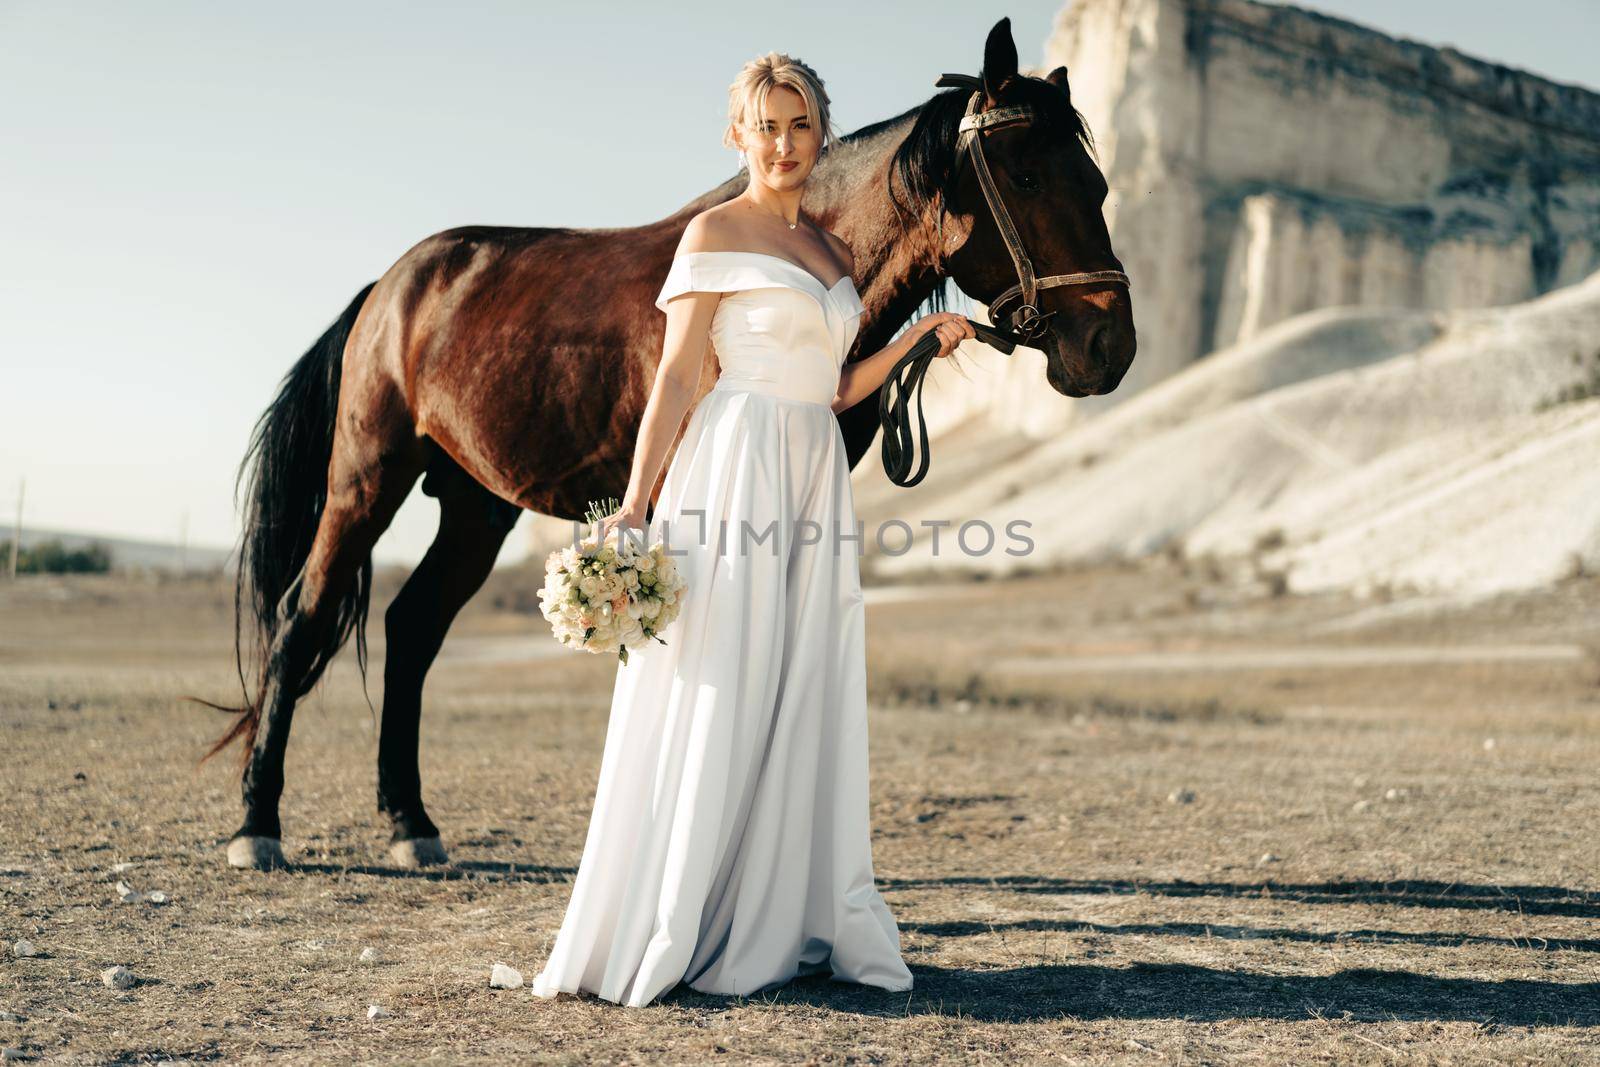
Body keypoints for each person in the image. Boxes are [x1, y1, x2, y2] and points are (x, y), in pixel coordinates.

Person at [529, 51, 973, 1008]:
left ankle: (775, 910)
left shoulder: (832, 253)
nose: (783, 143)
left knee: (800, 679)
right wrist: (639, 504)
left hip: (813, 464)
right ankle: (682, 911)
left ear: (822, 134)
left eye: (800, 124)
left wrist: (914, 343)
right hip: (733, 469)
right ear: (738, 134)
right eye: (765, 126)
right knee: (724, 679)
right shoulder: (710, 235)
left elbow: (837, 386)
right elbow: (680, 378)